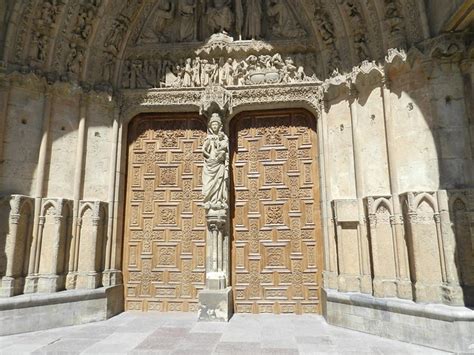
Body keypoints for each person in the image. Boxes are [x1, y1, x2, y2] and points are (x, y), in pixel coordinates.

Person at [202, 113, 229, 210]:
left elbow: (226, 150)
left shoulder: (224, 138)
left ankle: (218, 200)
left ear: (220, 126)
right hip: (211, 163)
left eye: (216, 124)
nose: (214, 126)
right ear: (210, 126)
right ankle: (209, 201)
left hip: (220, 163)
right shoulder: (209, 138)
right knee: (210, 182)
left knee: (219, 181)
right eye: (213, 125)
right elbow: (203, 150)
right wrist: (209, 157)